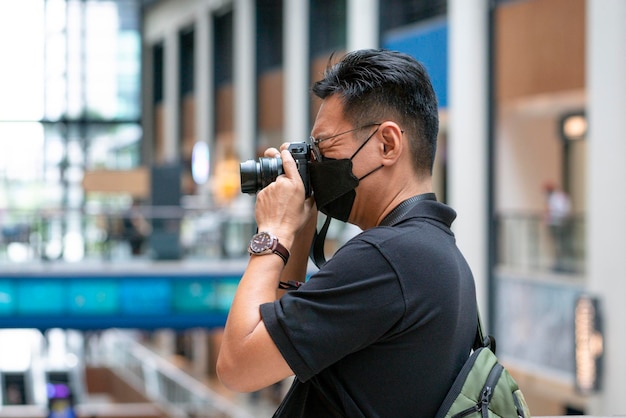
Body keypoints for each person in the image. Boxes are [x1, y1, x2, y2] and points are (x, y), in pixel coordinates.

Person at [216, 49, 477, 417]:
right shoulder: (436, 254)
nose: (317, 162)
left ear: (387, 144)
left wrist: (271, 233)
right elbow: (269, 351)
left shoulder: (386, 258)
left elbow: (238, 366)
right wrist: (299, 233)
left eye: (323, 146)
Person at [544, 182, 572, 271]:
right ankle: (558, 263)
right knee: (557, 245)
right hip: (556, 224)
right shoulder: (555, 198)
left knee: (560, 245)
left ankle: (561, 264)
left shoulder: (558, 198)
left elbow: (560, 211)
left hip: (559, 224)